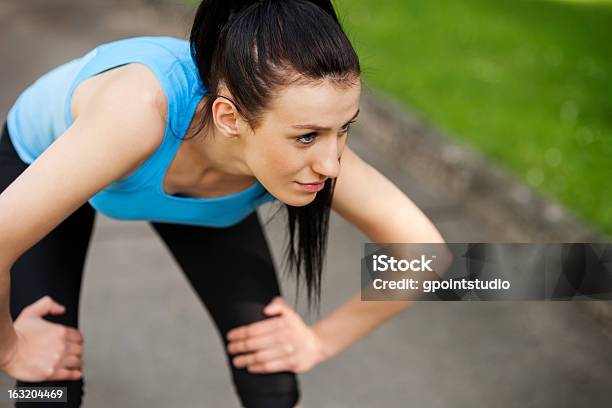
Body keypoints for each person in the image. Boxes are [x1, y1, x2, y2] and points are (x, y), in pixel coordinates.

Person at [0, 0, 445, 407]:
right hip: (46, 158)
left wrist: (320, 341)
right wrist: (12, 351)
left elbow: (430, 255)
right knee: (48, 391)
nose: (331, 165)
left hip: (197, 186)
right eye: (306, 136)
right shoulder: (136, 113)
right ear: (229, 118)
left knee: (273, 382)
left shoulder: (306, 151)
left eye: (344, 128)